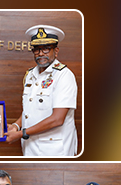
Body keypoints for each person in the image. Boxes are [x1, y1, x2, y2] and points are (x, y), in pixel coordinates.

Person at [5, 26, 78, 155]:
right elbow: (30, 109)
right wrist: (16, 126)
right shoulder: (30, 75)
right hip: (30, 147)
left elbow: (57, 119)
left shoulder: (64, 75)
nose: (40, 54)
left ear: (56, 51)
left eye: (46, 49)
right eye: (37, 49)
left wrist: (21, 133)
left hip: (55, 150)